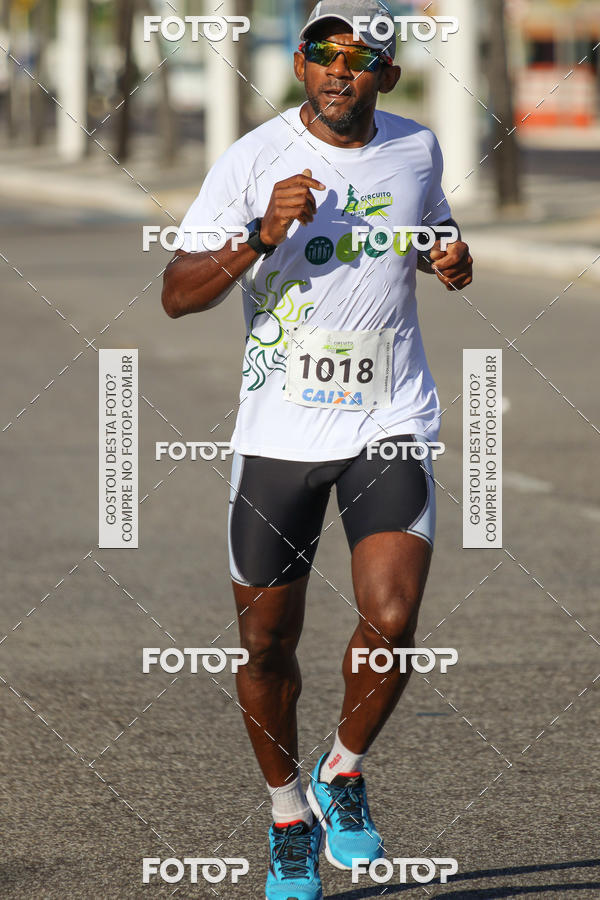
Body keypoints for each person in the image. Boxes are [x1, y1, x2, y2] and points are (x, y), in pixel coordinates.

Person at [162, 1, 473, 896]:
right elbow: (179, 294)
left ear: (389, 74)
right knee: (265, 645)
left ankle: (344, 769)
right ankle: (288, 812)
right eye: (326, 52)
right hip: (279, 435)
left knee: (394, 615)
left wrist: (448, 259)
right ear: (301, 63)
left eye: (362, 56)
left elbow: (426, 232)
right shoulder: (252, 159)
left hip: (390, 418)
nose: (342, 69)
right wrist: (260, 234)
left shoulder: (417, 149)